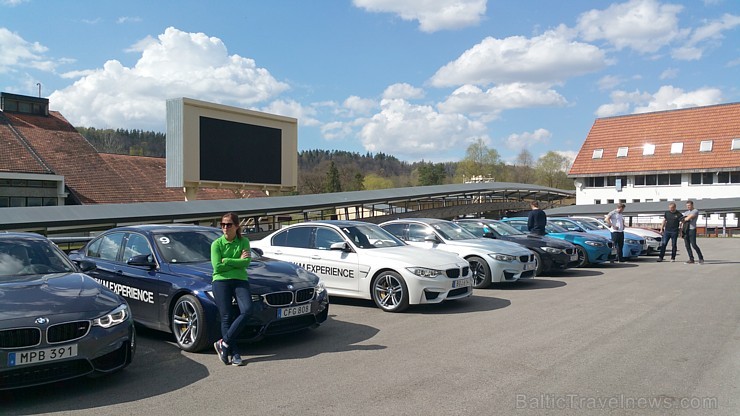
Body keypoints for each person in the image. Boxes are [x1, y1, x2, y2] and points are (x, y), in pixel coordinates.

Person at [211, 212, 252, 366]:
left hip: (240, 279)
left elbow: (246, 262)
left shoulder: (244, 241)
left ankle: (224, 343)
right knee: (227, 317)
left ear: (236, 226)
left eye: (229, 224)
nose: (225, 228)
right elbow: (217, 266)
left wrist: (227, 260)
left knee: (247, 310)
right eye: (223, 225)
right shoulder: (216, 244)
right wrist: (237, 261)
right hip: (220, 281)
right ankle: (234, 353)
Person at [682, 200, 704, 265]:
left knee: (694, 245)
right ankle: (691, 259)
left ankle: (701, 258)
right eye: (687, 206)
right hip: (686, 229)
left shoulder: (695, 211)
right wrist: (684, 219)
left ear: (692, 205)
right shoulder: (686, 212)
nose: (688, 207)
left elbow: (688, 218)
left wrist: (685, 218)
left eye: (689, 205)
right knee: (687, 245)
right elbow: (682, 219)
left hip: (692, 229)